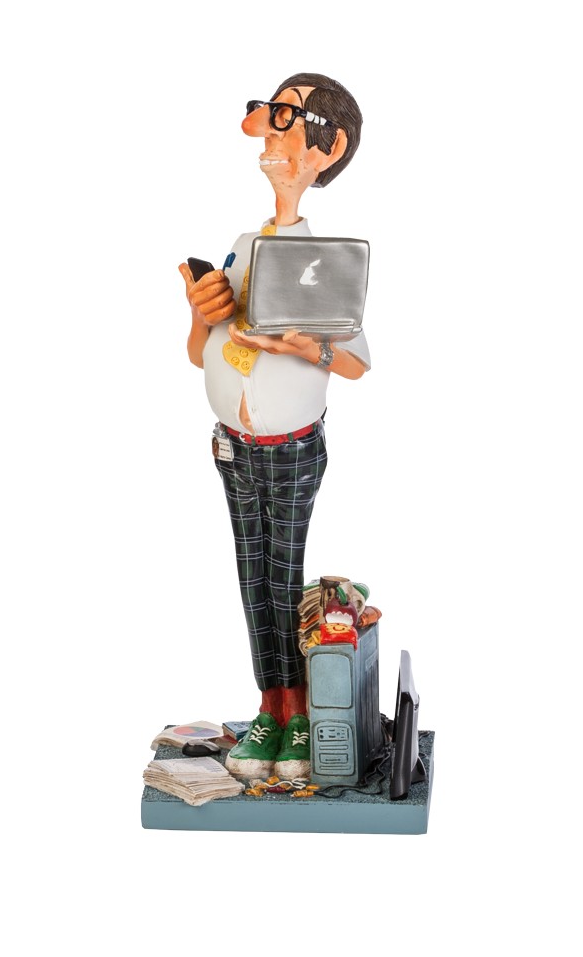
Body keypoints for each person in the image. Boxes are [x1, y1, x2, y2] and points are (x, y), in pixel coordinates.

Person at [178, 73, 368, 780]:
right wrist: (199, 311)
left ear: (328, 148)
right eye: (271, 111)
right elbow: (198, 351)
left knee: (284, 578)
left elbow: (356, 363)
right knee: (250, 577)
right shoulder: (241, 245)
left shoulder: (325, 261)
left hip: (290, 451)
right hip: (233, 448)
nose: (270, 127)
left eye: (289, 115)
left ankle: (300, 715)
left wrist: (307, 348)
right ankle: (271, 704)